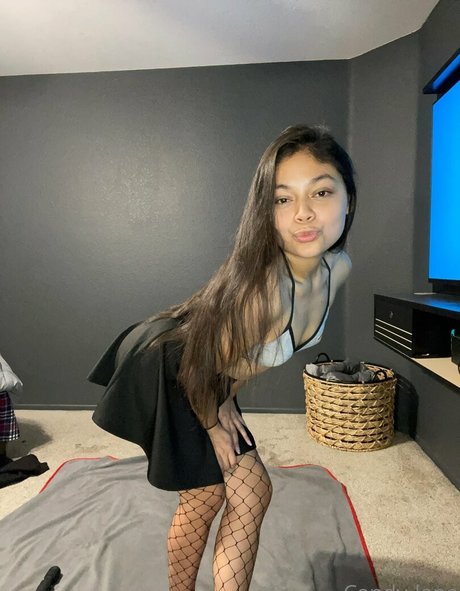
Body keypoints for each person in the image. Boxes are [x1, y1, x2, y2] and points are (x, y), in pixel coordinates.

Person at [87, 123, 356, 591]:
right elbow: (198, 365)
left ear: (349, 197)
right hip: (171, 366)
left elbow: (251, 357)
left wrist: (226, 396)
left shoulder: (339, 268)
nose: (304, 213)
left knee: (252, 494)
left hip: (209, 375)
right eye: (283, 198)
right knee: (206, 497)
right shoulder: (266, 294)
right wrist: (213, 420)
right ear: (266, 210)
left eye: (322, 192)